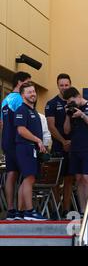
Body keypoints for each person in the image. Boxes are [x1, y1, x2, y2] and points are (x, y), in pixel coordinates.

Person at [63, 87, 88, 216]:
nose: (71, 104)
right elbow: (66, 131)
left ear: (78, 96)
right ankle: (83, 209)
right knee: (78, 178)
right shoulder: (71, 110)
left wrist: (83, 115)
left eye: (72, 101)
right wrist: (68, 115)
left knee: (86, 177)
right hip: (76, 148)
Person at [15, 82, 47, 220]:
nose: (33, 94)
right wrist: (37, 140)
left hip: (31, 148)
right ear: (22, 95)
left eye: (33, 91)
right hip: (25, 147)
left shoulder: (33, 110)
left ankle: (21, 212)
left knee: (27, 179)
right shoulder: (21, 110)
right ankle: (29, 211)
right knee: (29, 178)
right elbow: (21, 130)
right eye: (29, 92)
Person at [1, 71, 31, 220]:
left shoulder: (5, 100)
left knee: (11, 174)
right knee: (25, 174)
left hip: (6, 141)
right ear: (20, 82)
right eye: (27, 83)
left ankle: (10, 209)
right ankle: (22, 210)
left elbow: (1, 123)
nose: (30, 88)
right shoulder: (20, 99)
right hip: (18, 141)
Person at [45, 73, 73, 217]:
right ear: (57, 86)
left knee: (69, 178)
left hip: (73, 146)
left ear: (70, 85)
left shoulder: (74, 102)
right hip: (58, 146)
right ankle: (56, 209)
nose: (64, 88)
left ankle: (66, 210)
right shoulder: (51, 103)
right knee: (57, 179)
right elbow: (51, 126)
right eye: (61, 85)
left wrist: (71, 142)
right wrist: (63, 141)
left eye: (66, 85)